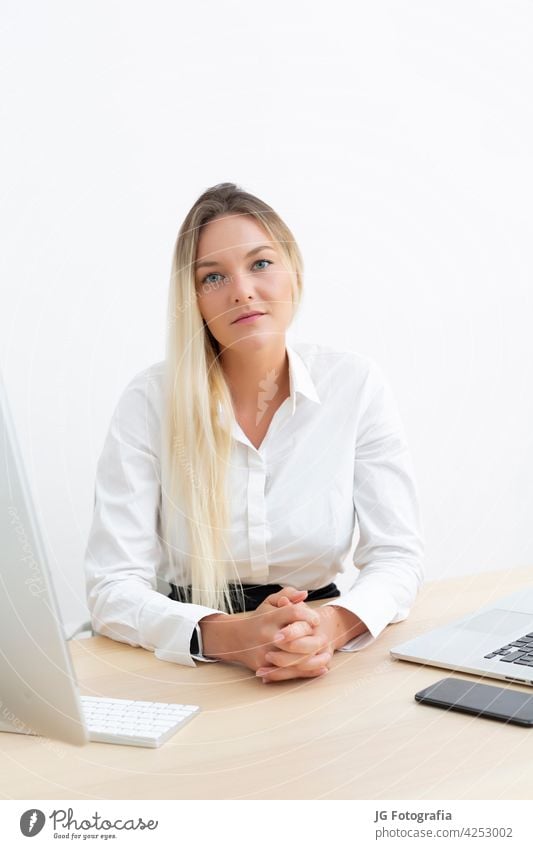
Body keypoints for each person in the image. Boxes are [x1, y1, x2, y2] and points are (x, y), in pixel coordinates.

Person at [84, 182, 424, 684]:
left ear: (293, 271)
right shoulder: (149, 400)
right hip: (194, 651)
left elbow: (397, 558)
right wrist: (235, 636)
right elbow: (112, 587)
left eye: (260, 263)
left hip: (320, 648)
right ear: (193, 299)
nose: (242, 289)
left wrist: (327, 626)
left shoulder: (354, 384)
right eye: (213, 276)